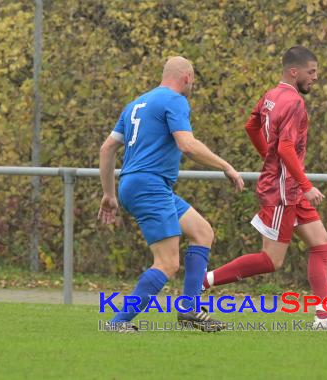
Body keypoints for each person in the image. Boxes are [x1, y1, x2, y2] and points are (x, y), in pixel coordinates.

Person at [203, 46, 327, 330]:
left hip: (287, 184)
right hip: (285, 191)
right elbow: (284, 147)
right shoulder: (294, 102)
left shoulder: (271, 95)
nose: (315, 78)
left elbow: (251, 126)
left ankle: (324, 318)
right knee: (271, 260)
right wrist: (306, 185)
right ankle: (203, 282)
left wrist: (268, 159)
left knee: (321, 245)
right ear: (294, 72)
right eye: (312, 72)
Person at [98, 56, 244, 332]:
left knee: (202, 232)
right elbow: (187, 145)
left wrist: (109, 194)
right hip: (149, 185)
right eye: (193, 81)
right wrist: (226, 166)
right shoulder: (175, 101)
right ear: (187, 78)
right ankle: (117, 324)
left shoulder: (134, 105)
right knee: (167, 263)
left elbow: (107, 149)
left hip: (136, 184)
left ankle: (189, 310)